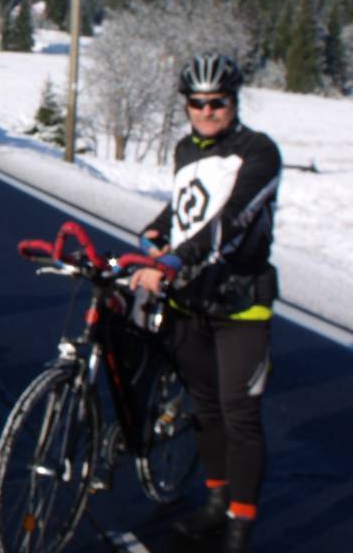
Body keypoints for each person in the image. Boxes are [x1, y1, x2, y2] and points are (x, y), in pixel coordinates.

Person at [129, 52, 280, 553]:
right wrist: (155, 233)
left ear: (234, 102)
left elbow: (232, 220)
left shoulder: (259, 152)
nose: (208, 111)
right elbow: (186, 207)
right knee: (207, 410)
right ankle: (217, 501)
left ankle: (241, 521)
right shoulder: (184, 150)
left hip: (242, 306)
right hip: (191, 301)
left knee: (240, 415)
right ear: (187, 105)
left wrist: (175, 259)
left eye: (218, 102)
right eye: (198, 103)